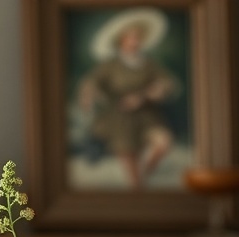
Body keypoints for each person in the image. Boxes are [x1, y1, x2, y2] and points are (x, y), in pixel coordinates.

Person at [77, 8, 181, 188]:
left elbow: (167, 83)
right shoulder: (110, 65)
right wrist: (88, 96)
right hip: (119, 119)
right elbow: (91, 82)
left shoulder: (148, 64)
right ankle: (137, 191)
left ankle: (145, 174)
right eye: (131, 37)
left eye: (138, 37)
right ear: (121, 40)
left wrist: (149, 94)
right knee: (132, 172)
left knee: (163, 143)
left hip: (147, 116)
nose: (135, 41)